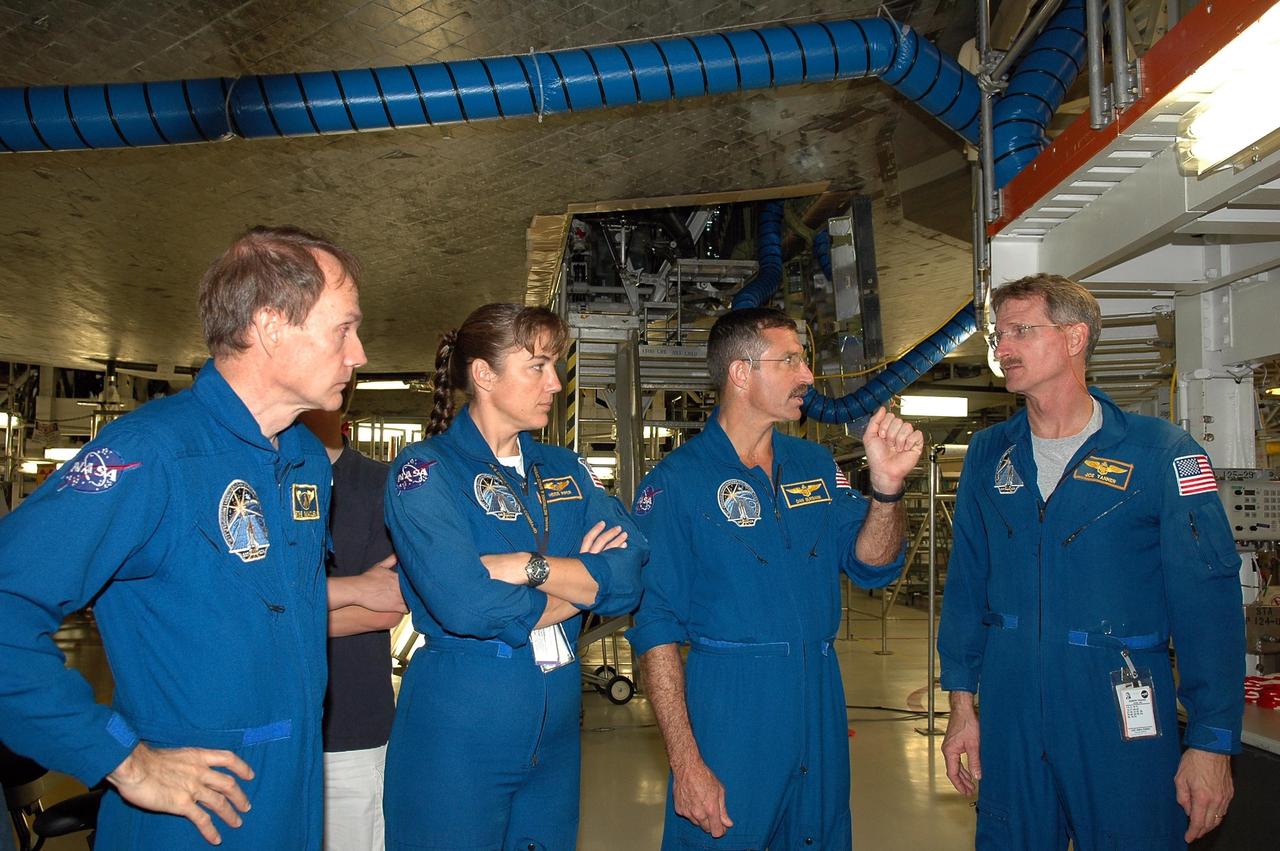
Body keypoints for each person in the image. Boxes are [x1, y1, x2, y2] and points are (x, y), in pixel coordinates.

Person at [0, 226, 367, 849]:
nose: (358, 353)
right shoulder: (150, 455)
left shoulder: (306, 460)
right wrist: (123, 758)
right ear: (272, 326)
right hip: (196, 814)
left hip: (294, 798)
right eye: (343, 329)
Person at [938, 274, 1244, 849]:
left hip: (1121, 716)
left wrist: (1211, 742)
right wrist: (961, 706)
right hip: (1012, 715)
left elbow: (1210, 607)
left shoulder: (1163, 454)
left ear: (1075, 338)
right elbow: (966, 592)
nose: (1003, 348)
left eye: (1021, 331)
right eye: (999, 334)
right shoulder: (988, 456)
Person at [627, 306, 919, 850]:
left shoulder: (814, 464)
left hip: (820, 697)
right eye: (789, 360)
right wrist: (686, 761)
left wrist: (886, 487)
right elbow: (655, 627)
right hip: (732, 705)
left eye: (802, 360)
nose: (807, 376)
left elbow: (873, 565)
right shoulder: (676, 482)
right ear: (740, 374)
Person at [382, 303, 648, 851]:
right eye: (538, 366)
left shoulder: (566, 470)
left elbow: (631, 570)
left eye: (556, 365)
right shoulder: (426, 471)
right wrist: (581, 588)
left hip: (556, 736)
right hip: (461, 726)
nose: (555, 382)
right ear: (483, 375)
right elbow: (467, 605)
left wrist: (531, 569)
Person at [298, 383, 406, 851]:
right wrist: (352, 588)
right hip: (266, 729)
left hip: (352, 728)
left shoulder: (379, 483)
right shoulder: (259, 477)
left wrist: (264, 620)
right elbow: (225, 607)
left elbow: (386, 608)